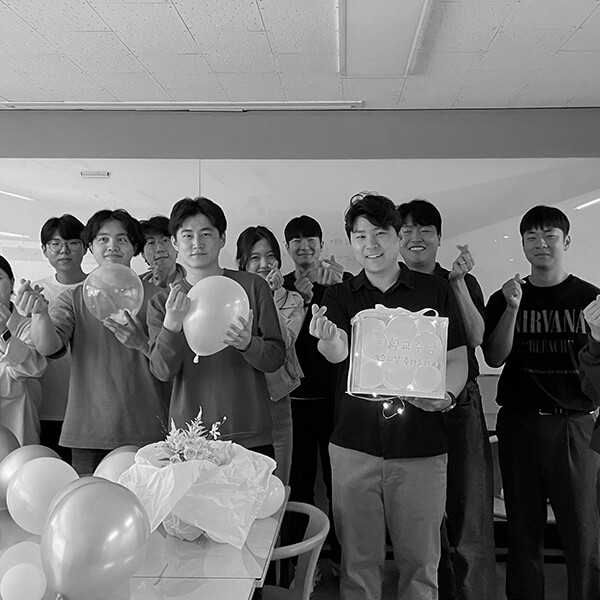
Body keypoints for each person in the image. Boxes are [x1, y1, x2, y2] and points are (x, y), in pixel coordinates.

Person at [310, 192, 468, 600]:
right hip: (354, 447)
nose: (371, 245)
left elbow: (457, 357)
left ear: (398, 236)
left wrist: (447, 396)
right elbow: (338, 353)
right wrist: (327, 340)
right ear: (351, 241)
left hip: (421, 447)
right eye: (360, 236)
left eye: (380, 233)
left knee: (421, 563)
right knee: (358, 564)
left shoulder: (434, 291)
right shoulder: (340, 296)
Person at [482, 205, 600, 600]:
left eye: (550, 235)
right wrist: (512, 308)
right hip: (519, 423)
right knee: (522, 530)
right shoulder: (506, 297)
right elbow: (494, 357)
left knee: (582, 532)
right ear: (522, 244)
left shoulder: (591, 299)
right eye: (531, 236)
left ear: (566, 241)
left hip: (574, 424)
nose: (541, 243)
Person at [17, 209, 169, 475]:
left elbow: (169, 364)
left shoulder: (159, 298)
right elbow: (49, 347)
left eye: (122, 239)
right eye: (103, 239)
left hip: (147, 429)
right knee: (88, 499)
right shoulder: (74, 298)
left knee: (149, 501)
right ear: (91, 246)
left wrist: (142, 342)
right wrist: (40, 314)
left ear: (134, 246)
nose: (112, 246)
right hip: (89, 431)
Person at [397, 199, 495, 600]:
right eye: (406, 230)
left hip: (460, 407)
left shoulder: (460, 281)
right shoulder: (390, 283)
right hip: (409, 410)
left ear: (439, 237)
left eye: (425, 230)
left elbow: (477, 338)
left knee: (469, 513)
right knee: (423, 520)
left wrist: (456, 283)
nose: (415, 238)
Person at [147, 197, 285, 456]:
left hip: (249, 432)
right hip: (189, 437)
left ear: (222, 239)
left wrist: (249, 344)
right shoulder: (162, 303)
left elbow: (275, 358)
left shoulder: (253, 287)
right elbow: (162, 372)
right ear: (175, 242)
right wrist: (171, 326)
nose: (197, 243)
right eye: (187, 235)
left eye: (206, 234)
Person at [282, 214, 350, 566]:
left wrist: (339, 289)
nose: (304, 246)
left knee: (340, 485)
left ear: (322, 245)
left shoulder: (341, 283)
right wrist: (297, 299)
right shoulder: (279, 287)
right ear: (287, 247)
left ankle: (342, 561)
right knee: (298, 484)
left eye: (311, 240)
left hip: (336, 402)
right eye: (297, 240)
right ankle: (300, 565)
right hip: (293, 403)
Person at [236, 225, 304, 484]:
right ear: (242, 263)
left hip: (276, 398)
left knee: (278, 481)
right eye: (255, 257)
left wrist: (270, 297)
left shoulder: (293, 300)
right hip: (239, 400)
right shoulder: (231, 298)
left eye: (270, 256)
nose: (264, 264)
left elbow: (284, 343)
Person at [31, 214, 87, 463]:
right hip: (47, 403)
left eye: (72, 243)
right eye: (55, 244)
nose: (64, 251)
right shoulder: (35, 292)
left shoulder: (99, 287)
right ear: (44, 250)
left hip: (90, 405)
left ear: (85, 247)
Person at [0, 255, 46, 445]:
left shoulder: (29, 326)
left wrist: (3, 333)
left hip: (17, 427)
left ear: (11, 283)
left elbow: (32, 367)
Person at [140, 215, 185, 288]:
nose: (160, 249)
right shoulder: (134, 286)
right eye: (151, 243)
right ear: (143, 254)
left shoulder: (194, 282)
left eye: (165, 240)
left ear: (176, 245)